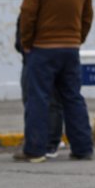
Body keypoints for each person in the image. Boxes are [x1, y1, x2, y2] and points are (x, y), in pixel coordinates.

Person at [15, 0, 95, 162]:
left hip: (42, 50)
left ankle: (35, 150)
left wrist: (27, 43)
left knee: (38, 99)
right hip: (71, 50)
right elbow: (87, 18)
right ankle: (82, 149)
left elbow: (28, 15)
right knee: (73, 98)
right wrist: (78, 39)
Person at [15, 14, 65, 158]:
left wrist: (25, 47)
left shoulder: (38, 3)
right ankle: (46, 141)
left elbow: (23, 27)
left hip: (38, 56)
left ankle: (46, 143)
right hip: (44, 55)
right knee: (47, 101)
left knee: (42, 100)